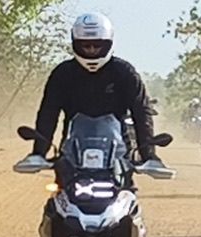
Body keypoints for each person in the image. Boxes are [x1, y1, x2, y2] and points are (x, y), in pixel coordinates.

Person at [14, 12, 166, 178]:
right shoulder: (63, 74)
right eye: (86, 45)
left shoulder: (124, 73)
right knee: (57, 200)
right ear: (75, 44)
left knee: (127, 197)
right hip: (71, 157)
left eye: (97, 45)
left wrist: (149, 155)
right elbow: (48, 113)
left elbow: (141, 112)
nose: (92, 50)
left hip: (118, 158)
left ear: (108, 44)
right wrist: (39, 152)